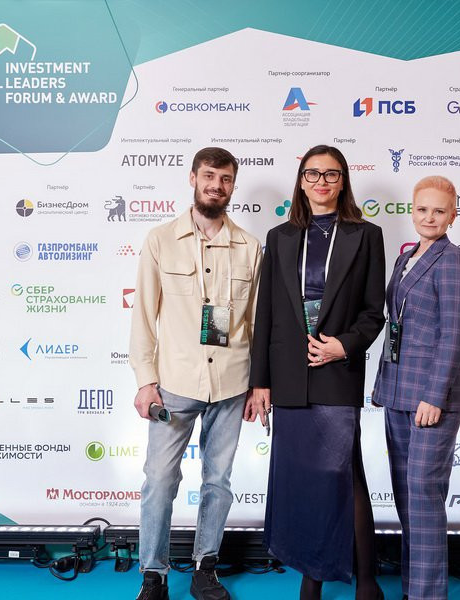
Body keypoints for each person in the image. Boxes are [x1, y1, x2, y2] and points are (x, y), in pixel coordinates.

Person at [246, 145, 386, 600]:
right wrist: (260, 381)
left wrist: (343, 345)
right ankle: (317, 576)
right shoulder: (280, 236)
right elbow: (266, 313)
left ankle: (363, 582)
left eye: (331, 174)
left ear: (343, 181)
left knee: (341, 475)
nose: (321, 182)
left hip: (337, 368)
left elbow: (373, 311)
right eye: (313, 174)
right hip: (289, 374)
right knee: (304, 480)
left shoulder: (367, 235)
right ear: (301, 181)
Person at [129, 147, 263, 600]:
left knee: (218, 482)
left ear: (233, 186)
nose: (215, 186)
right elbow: (143, 317)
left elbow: (257, 323)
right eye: (208, 176)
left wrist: (259, 383)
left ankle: (206, 568)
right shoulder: (160, 240)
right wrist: (145, 380)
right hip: (175, 385)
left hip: (231, 383)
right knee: (159, 481)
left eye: (225, 179)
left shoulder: (250, 247)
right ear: (193, 178)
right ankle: (154, 574)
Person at [371, 176, 460, 600]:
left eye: (439, 211)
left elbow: (454, 335)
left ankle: (427, 595)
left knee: (424, 496)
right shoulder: (405, 258)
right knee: (406, 498)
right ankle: (413, 590)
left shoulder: (454, 262)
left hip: (432, 397)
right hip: (398, 391)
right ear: (412, 211)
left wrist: (434, 395)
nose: (429, 217)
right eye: (422, 209)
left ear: (453, 215)